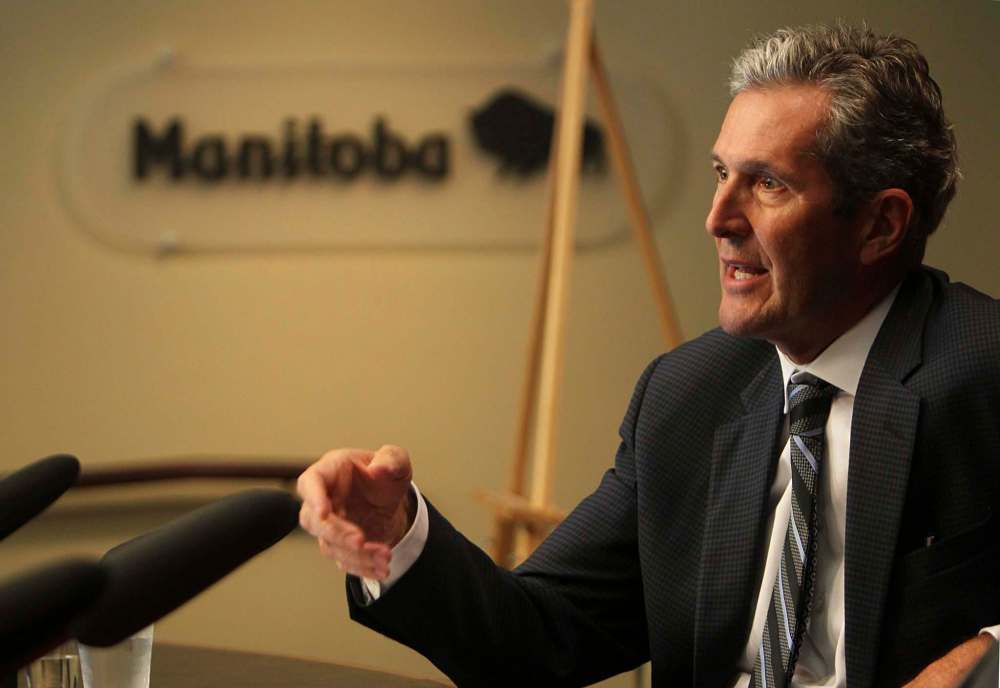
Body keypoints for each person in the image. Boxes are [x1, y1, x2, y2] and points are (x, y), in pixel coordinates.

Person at [297, 24, 999, 687]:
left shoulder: (986, 370)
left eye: (768, 184)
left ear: (881, 225)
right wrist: (399, 532)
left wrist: (987, 660)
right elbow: (533, 640)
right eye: (721, 173)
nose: (718, 219)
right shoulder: (688, 395)